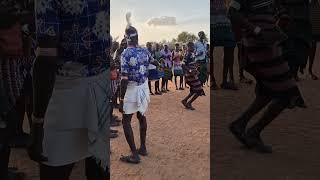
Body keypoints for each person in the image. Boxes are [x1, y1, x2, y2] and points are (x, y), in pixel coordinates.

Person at [28, 0, 111, 179]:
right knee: (100, 164)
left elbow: (46, 59)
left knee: (54, 168)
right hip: (101, 92)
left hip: (64, 98)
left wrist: (37, 122)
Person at [228, 0, 306, 153]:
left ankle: (240, 124)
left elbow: (274, 14)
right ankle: (253, 132)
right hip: (259, 47)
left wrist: (279, 28)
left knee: (268, 90)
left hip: (269, 46)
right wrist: (257, 30)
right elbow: (232, 12)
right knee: (287, 93)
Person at [0, 0, 33, 178]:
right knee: (5, 121)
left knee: (8, 122)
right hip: (5, 62)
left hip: (12, 61)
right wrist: (21, 16)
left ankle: (3, 170)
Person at [119, 12, 152, 164]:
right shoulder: (144, 51)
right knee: (141, 116)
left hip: (132, 89)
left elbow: (124, 80)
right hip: (143, 87)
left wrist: (120, 98)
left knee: (126, 121)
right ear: (137, 38)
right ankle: (143, 148)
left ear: (127, 39)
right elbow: (154, 64)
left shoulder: (125, 53)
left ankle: (134, 155)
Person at [278, 0, 312, 81]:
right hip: (288, 15)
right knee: (288, 45)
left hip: (301, 17)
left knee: (300, 46)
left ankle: (294, 72)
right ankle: (290, 73)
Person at [212, 0, 238, 90]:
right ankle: (212, 80)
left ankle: (226, 80)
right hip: (211, 24)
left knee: (230, 51)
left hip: (226, 25)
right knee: (210, 52)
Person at [181, 42, 205, 110]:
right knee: (199, 90)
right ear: (188, 47)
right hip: (190, 76)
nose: (193, 48)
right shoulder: (187, 54)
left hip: (193, 75)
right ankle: (189, 103)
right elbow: (183, 65)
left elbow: (191, 64)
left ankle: (185, 100)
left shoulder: (191, 54)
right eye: (191, 47)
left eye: (193, 47)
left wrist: (195, 68)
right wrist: (190, 71)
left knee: (194, 90)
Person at [308, 0, 320, 80]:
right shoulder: (306, 4)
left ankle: (310, 70)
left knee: (313, 47)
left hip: (316, 29)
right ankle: (309, 70)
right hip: (307, 29)